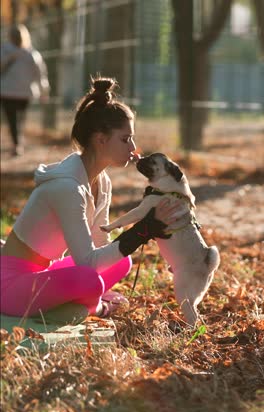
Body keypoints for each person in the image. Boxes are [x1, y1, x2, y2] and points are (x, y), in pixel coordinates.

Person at [0, 76, 180, 320]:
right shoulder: (67, 188)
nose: (133, 148)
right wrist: (142, 231)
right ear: (101, 139)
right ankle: (95, 307)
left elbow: (100, 245)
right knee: (89, 280)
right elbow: (87, 263)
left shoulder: (102, 182)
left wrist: (149, 225)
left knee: (120, 262)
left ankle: (70, 307)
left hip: (45, 273)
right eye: (125, 139)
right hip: (11, 285)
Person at [0, 24, 50, 157]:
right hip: (25, 93)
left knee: (12, 119)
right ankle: (18, 142)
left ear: (10, 37)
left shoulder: (4, 51)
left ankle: (17, 144)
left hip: (7, 92)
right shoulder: (32, 54)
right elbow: (41, 74)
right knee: (20, 119)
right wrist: (44, 91)